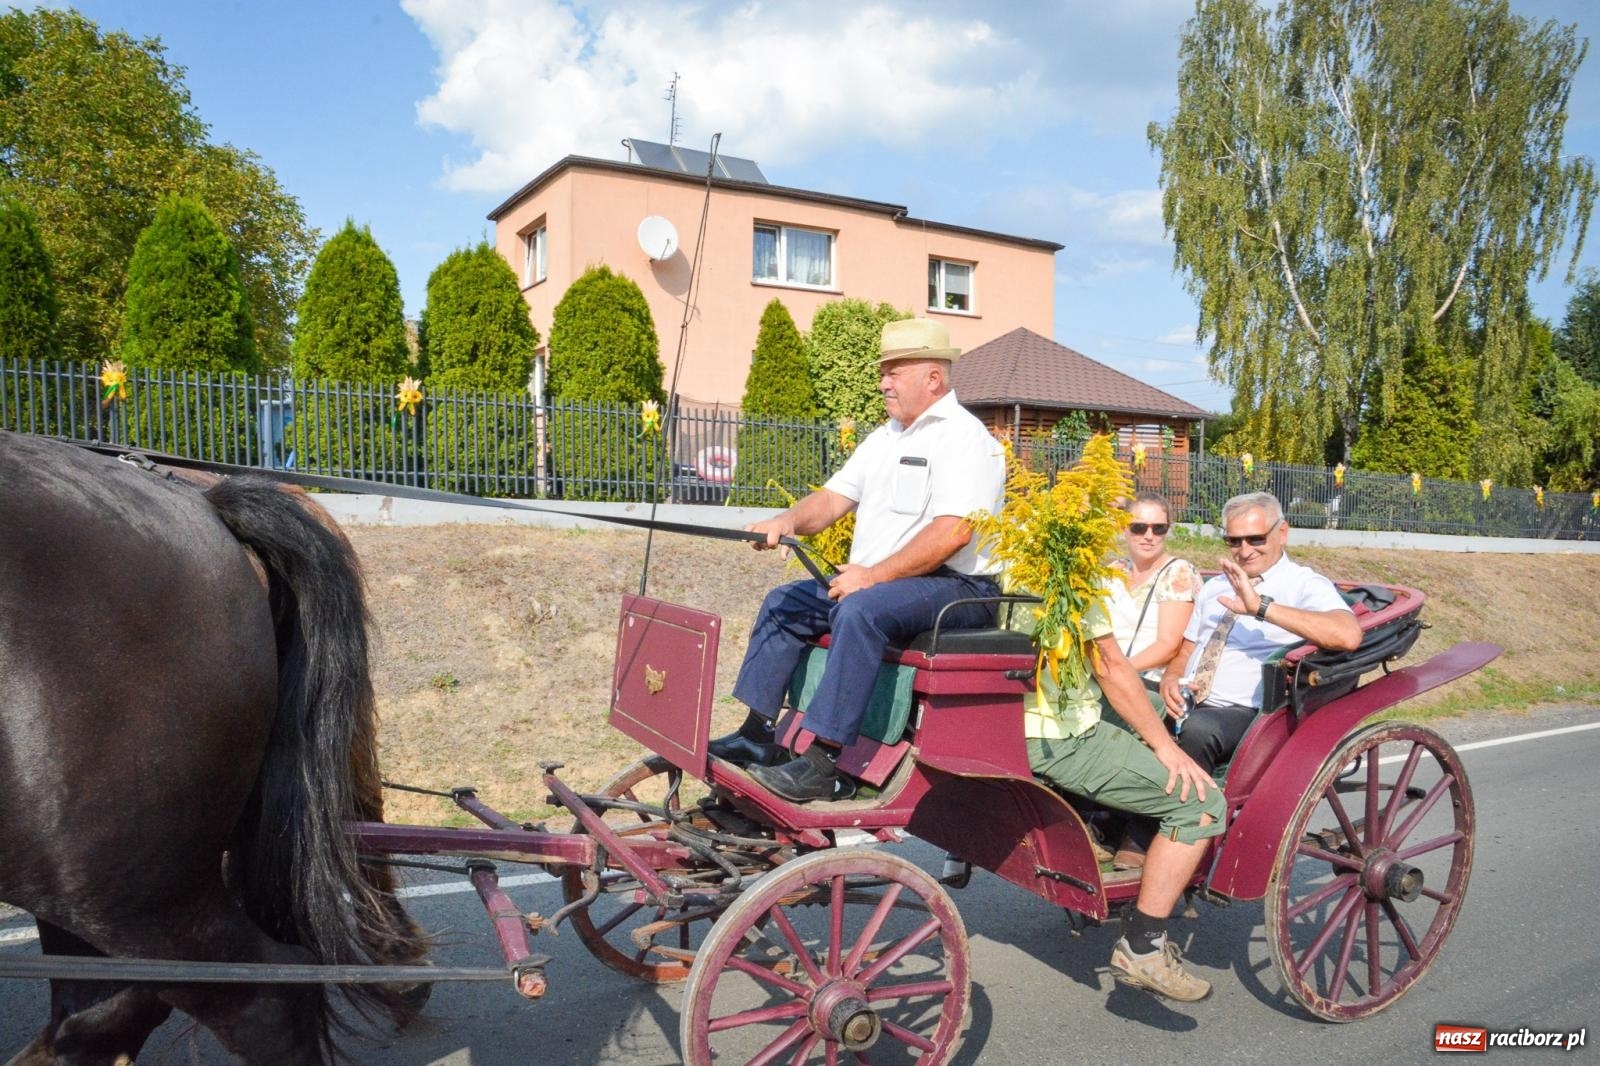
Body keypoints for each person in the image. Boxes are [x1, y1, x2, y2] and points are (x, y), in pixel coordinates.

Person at [709, 318, 1006, 802]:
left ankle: (823, 765)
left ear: (933, 377)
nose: (883, 382)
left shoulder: (965, 439)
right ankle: (758, 734)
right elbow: (832, 500)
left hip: (960, 588)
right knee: (785, 603)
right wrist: (787, 520)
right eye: (883, 372)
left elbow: (955, 531)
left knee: (860, 611)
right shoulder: (886, 436)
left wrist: (873, 576)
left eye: (894, 372)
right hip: (893, 583)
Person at [1015, 590, 1226, 1002]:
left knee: (1154, 706)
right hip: (1053, 729)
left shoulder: (1011, 561)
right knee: (1202, 804)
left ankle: (1124, 828)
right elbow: (1110, 665)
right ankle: (1143, 948)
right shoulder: (1073, 569)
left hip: (1020, 707)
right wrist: (1165, 748)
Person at [1157, 491, 1363, 775]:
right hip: (1188, 701)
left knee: (1198, 729)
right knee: (1119, 695)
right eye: (1234, 541)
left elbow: (1348, 635)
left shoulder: (1302, 584)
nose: (1244, 551)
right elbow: (1186, 652)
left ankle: (1194, 802)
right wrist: (1170, 678)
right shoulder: (1216, 586)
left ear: (1282, 533)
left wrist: (1261, 607)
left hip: (1249, 714)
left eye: (1256, 539)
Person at [1106, 492, 1199, 688]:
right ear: (1123, 527)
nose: (1149, 536)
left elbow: (1168, 646)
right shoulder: (1114, 570)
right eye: (1138, 528)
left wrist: (1117, 672)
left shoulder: (1177, 572)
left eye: (1159, 528)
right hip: (1104, 674)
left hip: (1146, 681)